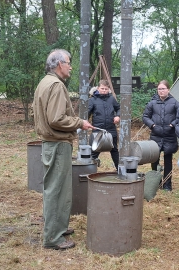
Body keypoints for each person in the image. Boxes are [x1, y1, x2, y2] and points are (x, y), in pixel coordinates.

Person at [33, 49, 94, 250]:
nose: (71, 66)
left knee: (56, 188)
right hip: (58, 143)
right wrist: (80, 122)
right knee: (57, 190)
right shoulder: (56, 85)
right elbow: (56, 119)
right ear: (59, 64)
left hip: (52, 142)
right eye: (68, 62)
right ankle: (53, 238)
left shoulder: (45, 82)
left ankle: (57, 227)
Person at [142, 80, 179, 191]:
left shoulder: (174, 102)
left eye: (163, 89)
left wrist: (172, 125)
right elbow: (145, 117)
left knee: (168, 160)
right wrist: (153, 125)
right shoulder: (152, 103)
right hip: (156, 135)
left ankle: (167, 184)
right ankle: (156, 183)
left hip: (169, 135)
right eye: (159, 89)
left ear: (168, 89)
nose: (161, 91)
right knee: (154, 159)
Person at [88, 79, 120, 169]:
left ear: (108, 89)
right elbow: (87, 113)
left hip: (111, 129)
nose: (104, 91)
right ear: (98, 88)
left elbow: (118, 108)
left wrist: (118, 116)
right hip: (98, 130)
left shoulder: (111, 99)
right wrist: (83, 122)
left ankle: (119, 170)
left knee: (114, 150)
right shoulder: (92, 100)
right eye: (102, 89)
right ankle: (89, 171)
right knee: (94, 151)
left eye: (106, 89)